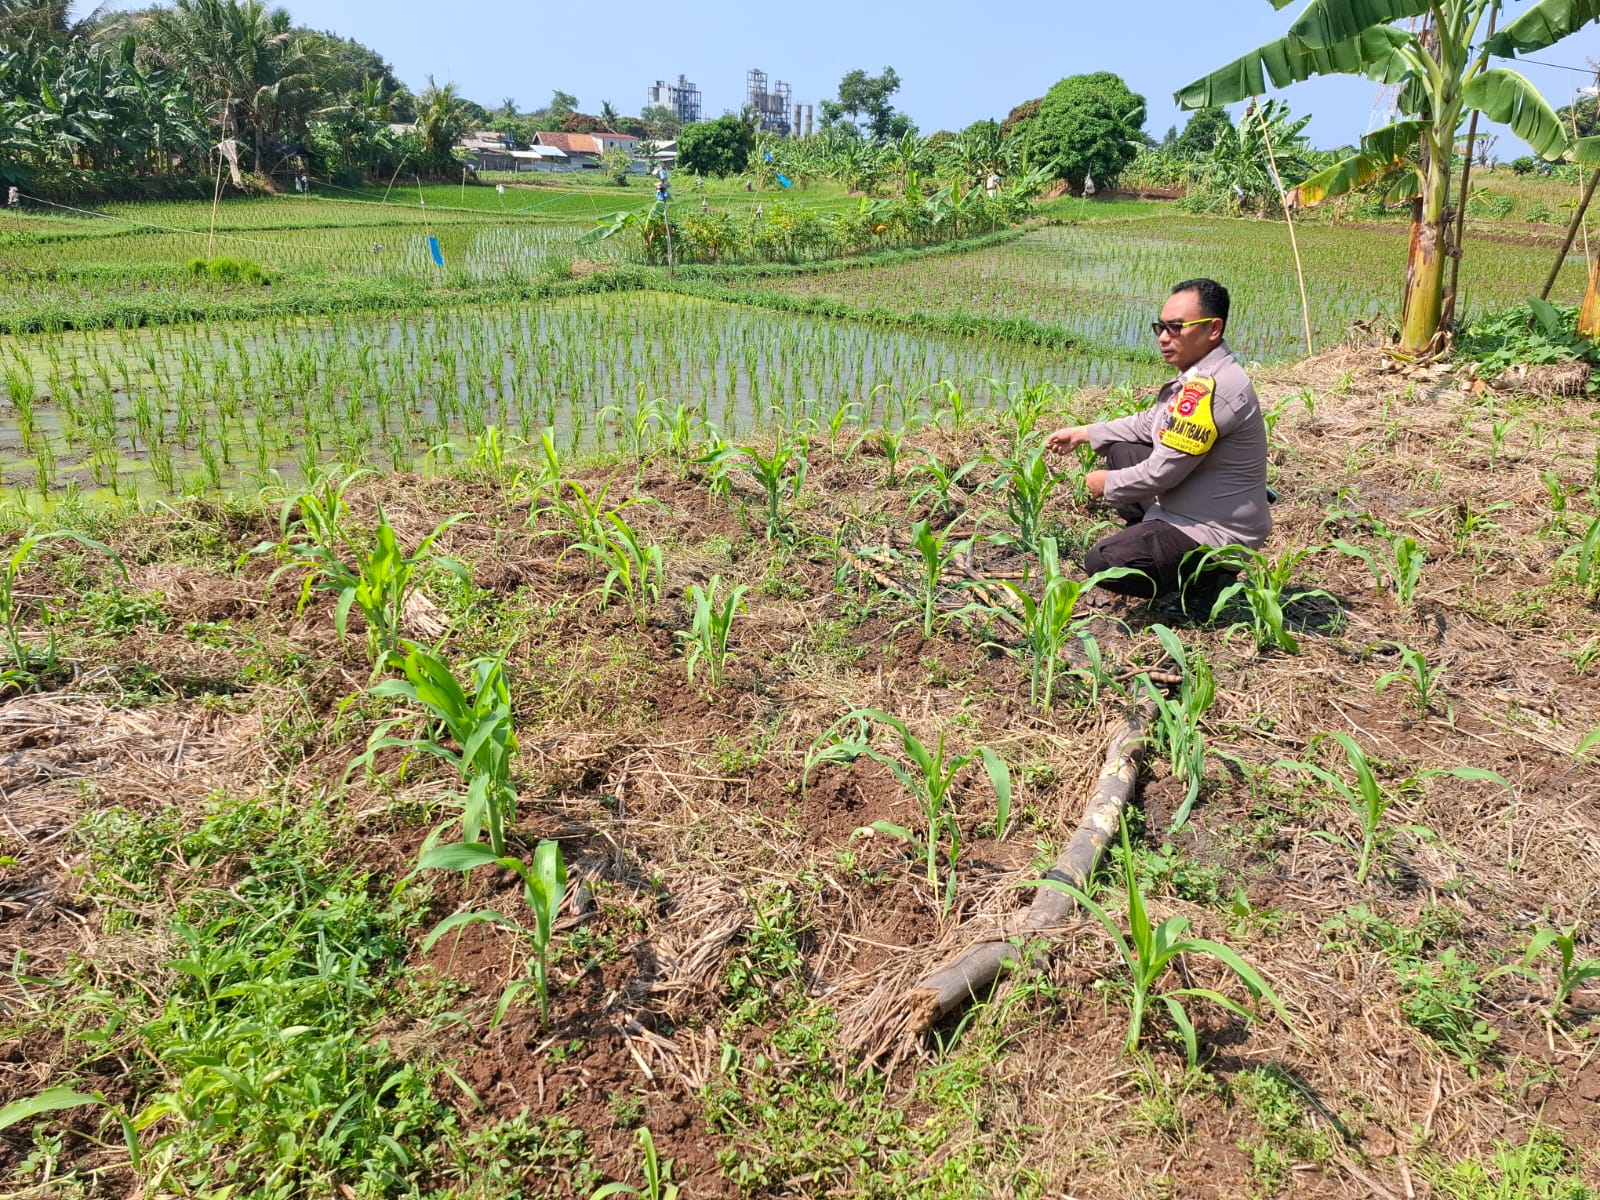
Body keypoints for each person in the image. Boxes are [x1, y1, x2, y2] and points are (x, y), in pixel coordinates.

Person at [1044, 278, 1269, 614]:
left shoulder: (1211, 390)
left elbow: (1160, 473)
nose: (1163, 337)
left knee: (1104, 562)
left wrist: (1105, 483)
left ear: (1213, 329)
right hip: (1197, 497)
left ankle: (1207, 580)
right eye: (1160, 327)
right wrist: (1083, 433)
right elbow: (1149, 422)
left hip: (1216, 531)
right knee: (1120, 449)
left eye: (1176, 327)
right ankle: (1151, 535)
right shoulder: (1201, 373)